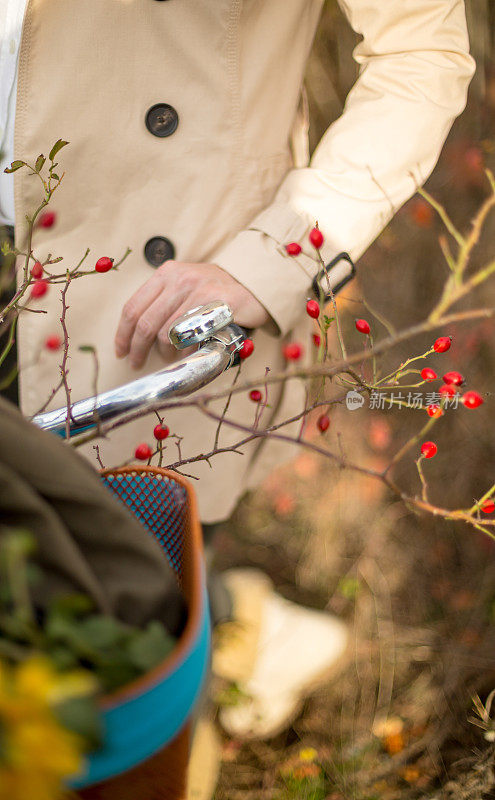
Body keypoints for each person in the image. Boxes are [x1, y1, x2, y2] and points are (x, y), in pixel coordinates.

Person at [0, 0, 475, 749]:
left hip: (140, 279)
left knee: (111, 621)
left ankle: (206, 659)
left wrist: (280, 258)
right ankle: (241, 624)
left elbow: (419, 51)